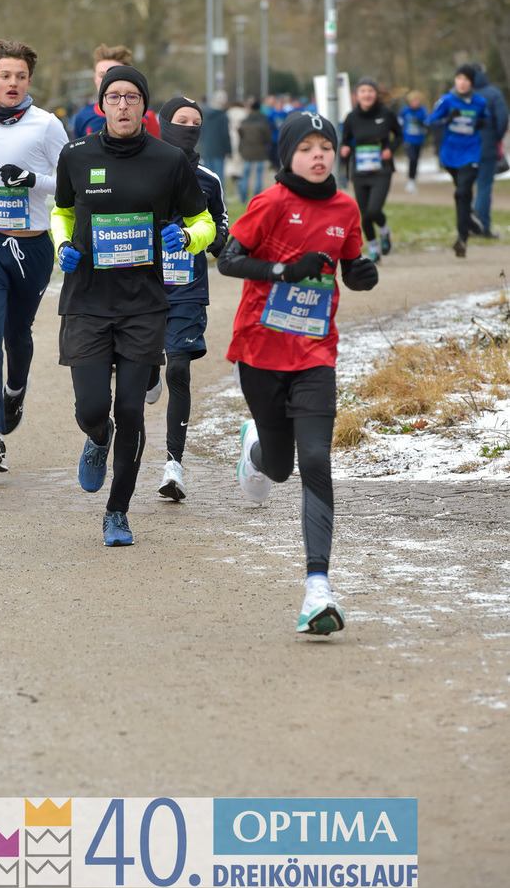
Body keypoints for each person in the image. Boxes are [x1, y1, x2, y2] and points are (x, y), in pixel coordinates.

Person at [217, 110, 378, 636]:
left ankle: (317, 589)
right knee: (281, 466)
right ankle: (256, 450)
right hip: (261, 351)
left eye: (326, 148)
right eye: (307, 147)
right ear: (288, 155)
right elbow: (229, 260)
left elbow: (350, 263)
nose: (318, 156)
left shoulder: (345, 207)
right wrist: (284, 269)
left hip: (314, 353)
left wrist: (361, 273)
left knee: (314, 459)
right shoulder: (270, 203)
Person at [51, 66, 215, 547]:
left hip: (144, 303)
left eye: (133, 97)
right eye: (114, 97)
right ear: (102, 105)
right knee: (92, 408)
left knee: (131, 409)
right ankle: (96, 438)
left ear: (145, 106)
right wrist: (63, 245)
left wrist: (185, 236)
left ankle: (117, 511)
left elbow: (203, 221)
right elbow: (61, 211)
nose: (123, 105)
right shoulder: (76, 155)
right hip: (86, 300)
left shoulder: (169, 160)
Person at [0, 39, 69, 472]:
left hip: (31, 247)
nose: (13, 83)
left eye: (21, 76)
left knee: (16, 333)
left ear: (28, 82)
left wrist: (30, 179)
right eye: (6, 75)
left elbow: (69, 183)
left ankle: (15, 390)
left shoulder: (46, 126)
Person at [145, 95, 229, 501]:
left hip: (188, 290)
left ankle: (173, 468)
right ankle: (146, 373)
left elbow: (220, 232)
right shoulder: (141, 167)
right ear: (164, 123)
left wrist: (216, 240)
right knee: (142, 371)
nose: (190, 128)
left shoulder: (210, 180)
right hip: (140, 288)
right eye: (182, 120)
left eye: (196, 122)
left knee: (177, 370)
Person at [426, 64, 488, 258]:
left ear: (472, 83)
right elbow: (430, 122)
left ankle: (462, 237)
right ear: (455, 80)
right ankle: (469, 219)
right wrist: (446, 120)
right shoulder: (447, 100)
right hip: (450, 154)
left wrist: (482, 123)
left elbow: (486, 118)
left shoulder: (479, 102)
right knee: (462, 194)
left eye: (466, 79)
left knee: (462, 191)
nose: (462, 82)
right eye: (459, 78)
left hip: (471, 153)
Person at [340, 77, 403, 262]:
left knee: (374, 210)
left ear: (376, 94)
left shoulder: (386, 114)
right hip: (359, 170)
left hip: (381, 170)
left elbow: (399, 136)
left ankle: (384, 231)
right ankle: (374, 248)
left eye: (370, 91)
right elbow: (345, 140)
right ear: (357, 95)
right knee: (364, 214)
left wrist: (390, 149)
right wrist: (345, 148)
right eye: (363, 91)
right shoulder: (351, 117)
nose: (367, 94)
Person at [72, 43, 160, 139]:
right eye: (102, 75)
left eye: (113, 75)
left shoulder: (147, 116)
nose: (107, 80)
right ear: (94, 78)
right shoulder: (83, 116)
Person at [471, 63, 508, 238]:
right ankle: (482, 226)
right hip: (487, 147)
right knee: (484, 187)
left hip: (464, 148)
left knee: (465, 187)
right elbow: (502, 120)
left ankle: (468, 226)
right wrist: (495, 138)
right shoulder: (493, 94)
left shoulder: (459, 95)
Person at [238, 98, 273, 203]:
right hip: (260, 152)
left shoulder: (244, 121)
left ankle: (243, 199)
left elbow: (241, 135)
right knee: (258, 175)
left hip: (247, 151)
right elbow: (268, 138)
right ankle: (255, 198)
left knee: (245, 174)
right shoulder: (264, 121)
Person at [198, 89, 231, 186]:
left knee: (207, 176)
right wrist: (229, 150)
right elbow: (225, 134)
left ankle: (208, 199)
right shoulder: (223, 116)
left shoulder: (205, 114)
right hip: (219, 150)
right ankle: (220, 199)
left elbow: (202, 131)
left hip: (207, 149)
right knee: (219, 177)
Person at [399, 90, 429, 193]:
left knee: (416, 160)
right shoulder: (405, 110)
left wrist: (420, 122)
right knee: (412, 158)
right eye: (413, 100)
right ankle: (410, 181)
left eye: (417, 100)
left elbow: (427, 123)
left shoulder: (423, 111)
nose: (415, 103)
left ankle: (413, 179)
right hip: (408, 139)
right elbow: (399, 121)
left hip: (419, 140)